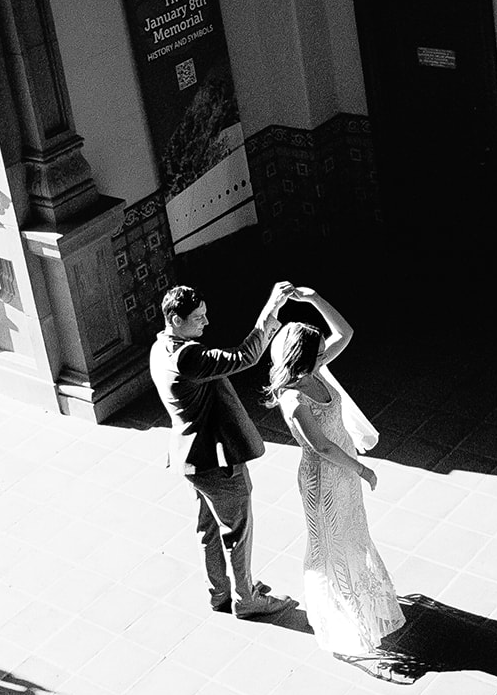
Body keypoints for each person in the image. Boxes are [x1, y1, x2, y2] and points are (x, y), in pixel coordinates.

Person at [265, 288, 406, 667]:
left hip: (342, 473)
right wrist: (363, 469)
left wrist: (313, 299)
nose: (323, 354)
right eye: (315, 353)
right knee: (330, 545)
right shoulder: (294, 399)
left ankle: (363, 601)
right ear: (302, 359)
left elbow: (345, 332)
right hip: (325, 479)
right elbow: (324, 448)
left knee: (353, 533)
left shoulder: (313, 368)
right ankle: (341, 616)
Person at [149, 280, 297, 619]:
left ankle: (219, 592)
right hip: (215, 460)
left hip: (190, 458)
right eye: (198, 318)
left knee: (208, 528)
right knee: (237, 530)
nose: (206, 323)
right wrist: (271, 310)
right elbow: (245, 356)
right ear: (175, 319)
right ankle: (246, 598)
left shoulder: (162, 347)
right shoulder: (188, 357)